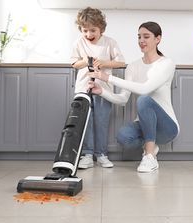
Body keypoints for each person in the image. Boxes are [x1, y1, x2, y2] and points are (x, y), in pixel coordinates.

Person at [88, 21, 179, 173]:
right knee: (123, 137)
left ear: (158, 39)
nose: (141, 41)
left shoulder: (166, 63)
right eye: (139, 37)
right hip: (144, 124)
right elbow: (123, 99)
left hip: (167, 127)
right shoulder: (133, 66)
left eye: (146, 36)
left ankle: (149, 156)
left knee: (144, 99)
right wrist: (101, 92)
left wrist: (107, 78)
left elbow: (146, 89)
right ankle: (150, 145)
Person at [71, 7, 125, 169]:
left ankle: (101, 154)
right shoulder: (79, 43)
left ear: (101, 28)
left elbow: (120, 62)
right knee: (86, 123)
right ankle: (87, 155)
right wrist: (87, 60)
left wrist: (103, 62)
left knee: (101, 123)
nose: (89, 34)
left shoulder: (110, 42)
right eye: (84, 30)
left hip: (104, 90)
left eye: (93, 30)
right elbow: (74, 63)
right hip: (83, 89)